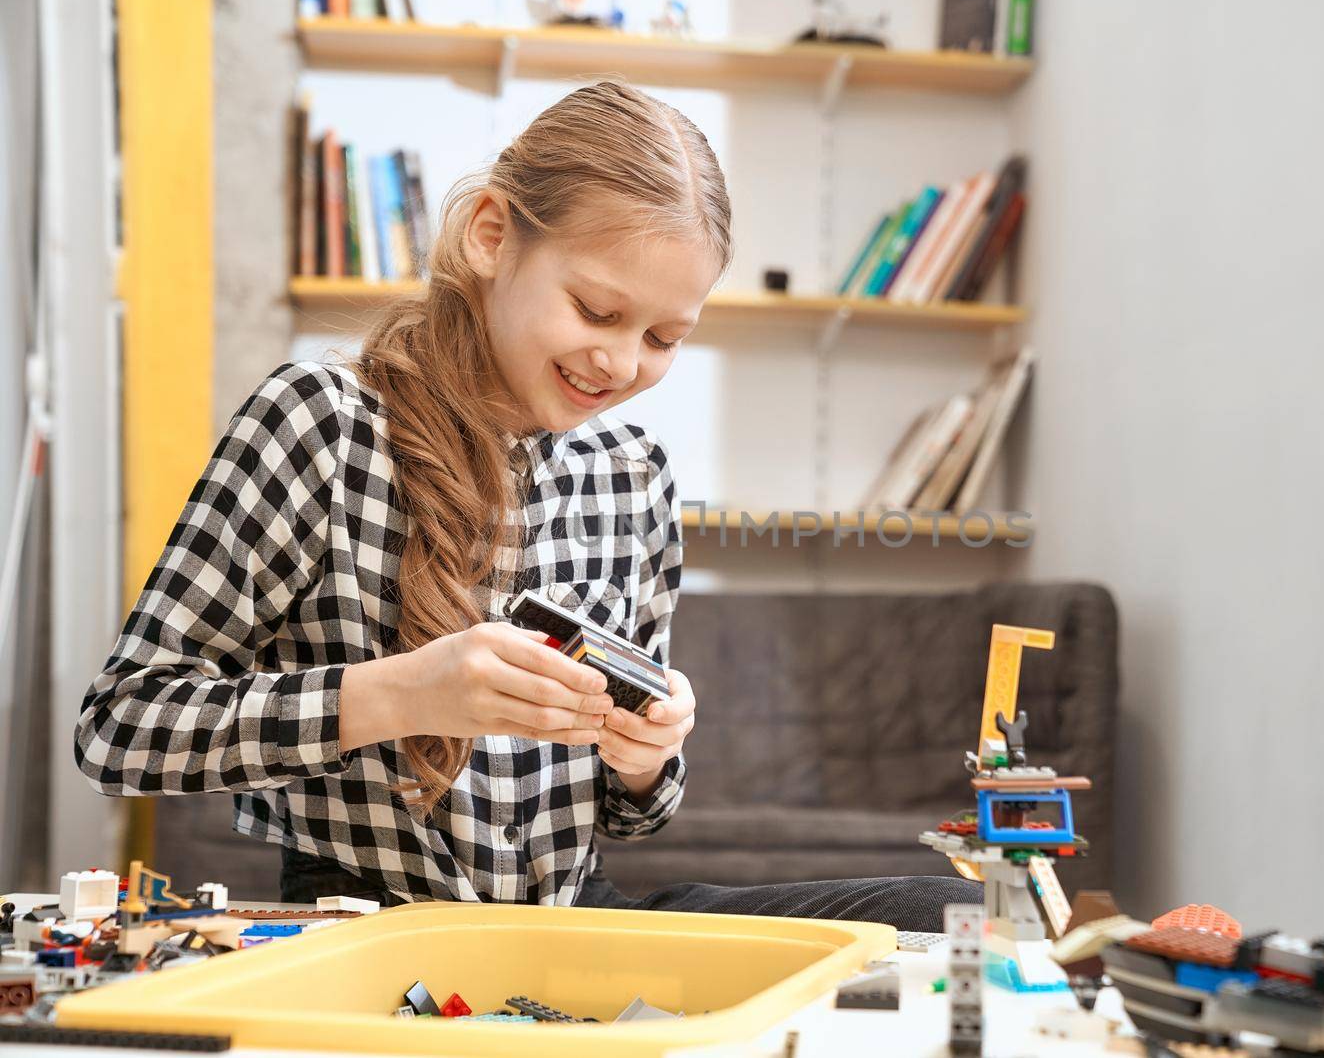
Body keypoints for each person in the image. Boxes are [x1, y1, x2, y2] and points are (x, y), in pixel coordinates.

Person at [77, 81, 977, 930]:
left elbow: (634, 819)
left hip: (570, 924)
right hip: (369, 929)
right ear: (491, 233)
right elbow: (120, 727)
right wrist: (398, 695)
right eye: (596, 310)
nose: (623, 364)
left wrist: (648, 753)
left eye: (664, 337)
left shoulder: (634, 472)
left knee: (938, 912)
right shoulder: (320, 421)